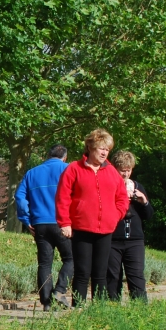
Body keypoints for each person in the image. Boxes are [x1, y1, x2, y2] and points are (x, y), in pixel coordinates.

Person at [55, 129, 129, 304]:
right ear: (90, 147)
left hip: (106, 230)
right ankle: (79, 308)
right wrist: (64, 222)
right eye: (101, 148)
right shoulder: (74, 169)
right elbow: (62, 197)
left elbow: (122, 198)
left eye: (107, 149)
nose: (104, 152)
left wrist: (115, 215)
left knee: (100, 272)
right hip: (82, 228)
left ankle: (99, 310)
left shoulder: (112, 172)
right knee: (82, 271)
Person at [15, 144, 74, 311]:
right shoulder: (68, 170)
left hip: (39, 223)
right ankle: (60, 290)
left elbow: (19, 197)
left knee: (44, 264)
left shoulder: (32, 173)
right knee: (71, 258)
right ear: (65, 157)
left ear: (47, 156)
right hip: (62, 222)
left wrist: (26, 219)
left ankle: (46, 303)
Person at [107, 151, 154, 302]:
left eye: (129, 170)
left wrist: (143, 201)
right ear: (115, 169)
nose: (126, 174)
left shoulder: (138, 186)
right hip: (113, 238)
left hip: (134, 239)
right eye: (122, 170)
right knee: (113, 276)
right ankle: (112, 307)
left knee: (136, 275)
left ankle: (140, 308)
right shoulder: (108, 186)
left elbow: (148, 215)